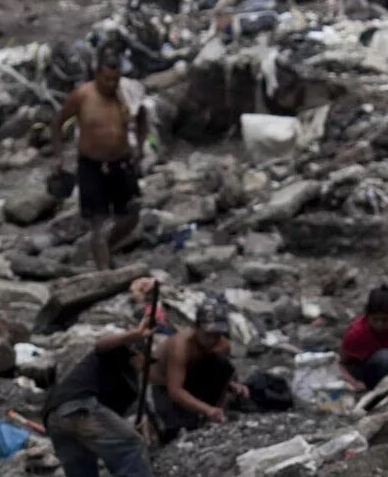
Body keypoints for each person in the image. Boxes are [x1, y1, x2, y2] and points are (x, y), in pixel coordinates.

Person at [41, 326, 167, 477]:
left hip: (56, 417)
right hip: (79, 408)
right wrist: (136, 334)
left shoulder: (126, 383)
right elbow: (101, 344)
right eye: (145, 360)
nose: (144, 367)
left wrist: (121, 427)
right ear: (135, 353)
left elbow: (106, 423)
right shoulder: (116, 354)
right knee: (132, 445)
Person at [53, 56, 143, 268]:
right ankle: (104, 272)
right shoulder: (83, 96)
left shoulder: (125, 94)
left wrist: (139, 146)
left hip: (121, 162)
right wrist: (58, 156)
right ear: (97, 76)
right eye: (107, 80)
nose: (111, 85)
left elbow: (142, 116)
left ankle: (108, 246)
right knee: (98, 221)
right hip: (92, 165)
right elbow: (57, 123)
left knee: (132, 213)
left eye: (115, 80)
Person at [151, 308, 246, 443]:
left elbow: (225, 372)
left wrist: (232, 385)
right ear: (196, 328)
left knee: (223, 363)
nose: (213, 339)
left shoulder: (221, 345)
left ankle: (212, 411)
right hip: (164, 385)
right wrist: (207, 410)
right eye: (208, 334)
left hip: (194, 376)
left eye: (217, 335)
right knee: (178, 430)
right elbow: (175, 391)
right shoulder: (180, 347)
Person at [340, 287, 388, 391]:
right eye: (375, 320)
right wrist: (354, 383)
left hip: (387, 365)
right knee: (386, 358)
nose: (379, 324)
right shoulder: (356, 333)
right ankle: (379, 389)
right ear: (367, 316)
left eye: (385, 320)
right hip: (363, 371)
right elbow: (341, 364)